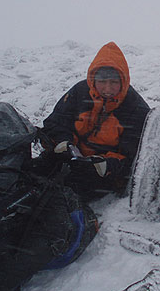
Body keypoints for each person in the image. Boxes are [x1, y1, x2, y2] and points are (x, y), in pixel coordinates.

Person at [38, 42, 150, 200]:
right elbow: (56, 122)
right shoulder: (79, 92)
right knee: (34, 171)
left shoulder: (135, 108)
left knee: (64, 193)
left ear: (123, 82)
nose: (107, 89)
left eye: (113, 82)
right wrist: (63, 142)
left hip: (102, 172)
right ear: (93, 80)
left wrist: (106, 165)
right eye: (102, 82)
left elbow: (135, 153)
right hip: (69, 158)